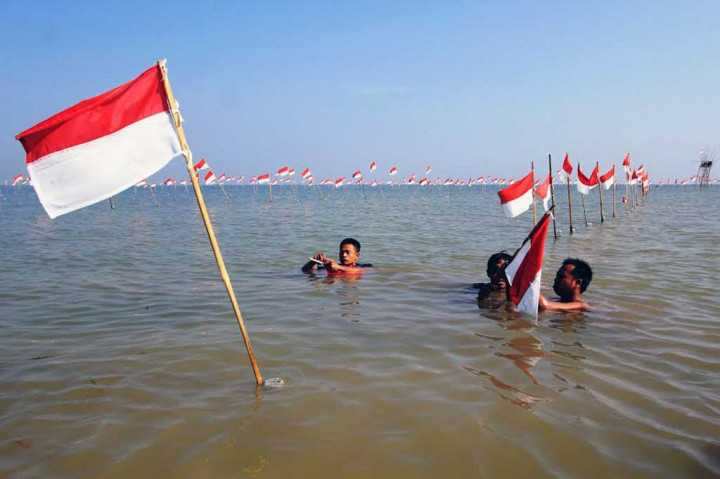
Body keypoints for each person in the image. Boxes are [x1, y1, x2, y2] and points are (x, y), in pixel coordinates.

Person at [302, 238, 370, 275]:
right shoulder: (330, 266)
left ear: (357, 255)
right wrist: (313, 261)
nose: (344, 255)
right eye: (342, 252)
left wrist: (338, 267)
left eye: (348, 252)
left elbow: (365, 271)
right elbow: (305, 270)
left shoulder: (364, 266)